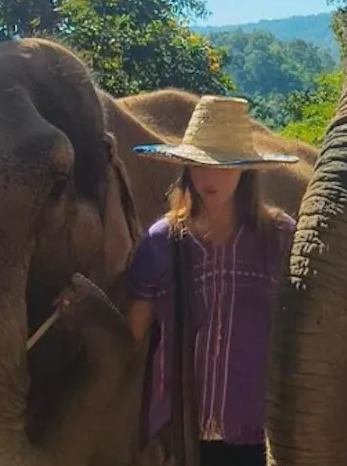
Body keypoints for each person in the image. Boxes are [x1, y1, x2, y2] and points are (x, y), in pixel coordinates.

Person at [91, 95, 299, 466]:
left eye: (224, 166)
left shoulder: (280, 239)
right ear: (184, 169)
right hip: (178, 435)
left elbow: (299, 333)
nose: (210, 177)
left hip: (257, 433)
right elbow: (134, 338)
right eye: (198, 165)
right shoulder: (160, 242)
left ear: (245, 171)